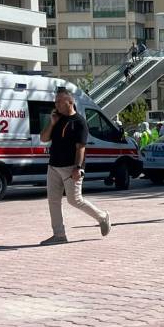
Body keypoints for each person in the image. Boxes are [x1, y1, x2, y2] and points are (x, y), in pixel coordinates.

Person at [38, 86, 110, 245]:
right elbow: (43, 138)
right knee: (53, 201)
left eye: (59, 101)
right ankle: (59, 235)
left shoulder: (79, 122)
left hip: (71, 168)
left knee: (75, 200)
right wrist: (51, 122)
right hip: (53, 167)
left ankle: (102, 216)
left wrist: (78, 168)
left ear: (69, 102)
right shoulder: (57, 119)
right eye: (55, 101)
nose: (56, 104)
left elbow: (81, 148)